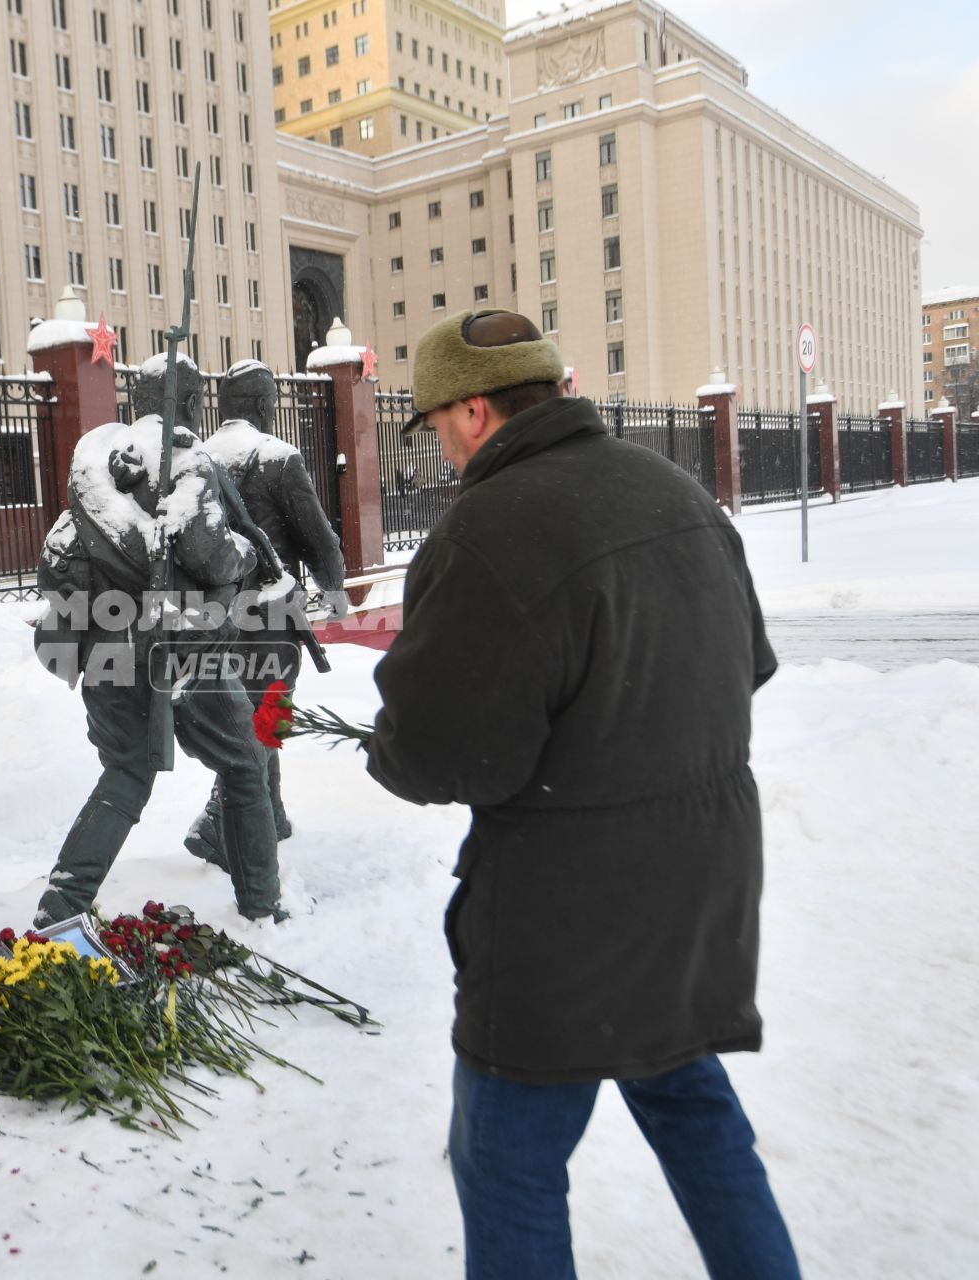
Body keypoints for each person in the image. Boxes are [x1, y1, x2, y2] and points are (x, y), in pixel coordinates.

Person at [364, 309, 798, 1278]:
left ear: (476, 410)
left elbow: (439, 754)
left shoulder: (491, 526)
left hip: (563, 919)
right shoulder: (678, 492)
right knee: (694, 1106)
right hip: (700, 887)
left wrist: (392, 730)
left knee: (507, 1161)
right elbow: (745, 668)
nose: (440, 438)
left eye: (440, 418)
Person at [32, 352, 284, 925]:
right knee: (246, 763)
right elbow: (211, 555)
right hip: (186, 654)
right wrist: (245, 551)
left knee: (125, 776)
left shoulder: (100, 467)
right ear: (193, 402)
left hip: (106, 654)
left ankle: (62, 905)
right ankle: (263, 908)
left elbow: (56, 567)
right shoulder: (186, 460)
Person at [187, 360, 349, 864]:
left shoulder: (196, 460)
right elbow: (319, 541)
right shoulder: (278, 459)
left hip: (211, 621)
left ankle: (270, 813)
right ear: (261, 406)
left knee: (245, 715)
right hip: (269, 617)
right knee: (268, 715)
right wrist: (333, 583)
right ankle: (219, 821)